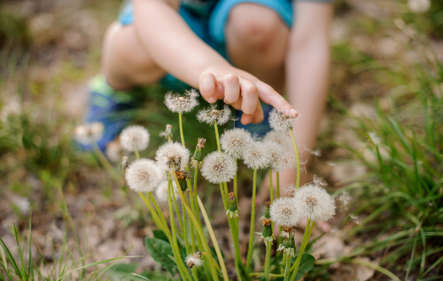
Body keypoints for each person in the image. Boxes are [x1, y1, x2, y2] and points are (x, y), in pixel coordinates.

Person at [81, 0, 333, 191]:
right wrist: (209, 68)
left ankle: (254, 100)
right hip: (170, 22)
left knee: (258, 25)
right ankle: (117, 89)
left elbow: (310, 42)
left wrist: (294, 165)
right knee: (133, 48)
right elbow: (154, 10)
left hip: (249, 17)